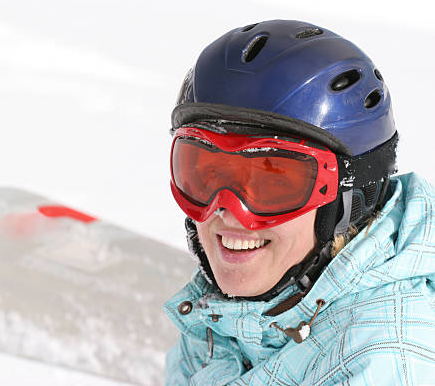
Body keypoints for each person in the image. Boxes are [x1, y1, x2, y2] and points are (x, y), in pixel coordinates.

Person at [164, 19, 435, 385]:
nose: (229, 211)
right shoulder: (229, 318)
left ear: (348, 202)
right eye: (206, 173)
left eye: (274, 181)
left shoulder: (378, 366)